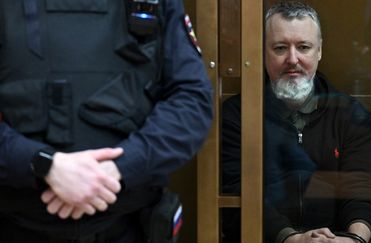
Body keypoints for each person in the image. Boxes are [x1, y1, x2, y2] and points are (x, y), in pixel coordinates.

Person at [0, 0, 213, 242]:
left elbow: (192, 101)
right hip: (16, 222)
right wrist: (43, 165)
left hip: (128, 223)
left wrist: (119, 167)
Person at [221, 1, 371, 243]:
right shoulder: (238, 114)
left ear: (319, 51)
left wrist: (353, 240)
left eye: (303, 47)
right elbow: (236, 194)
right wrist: (292, 239)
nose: (292, 59)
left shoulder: (351, 114)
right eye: (280, 48)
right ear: (263, 51)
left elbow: (362, 189)